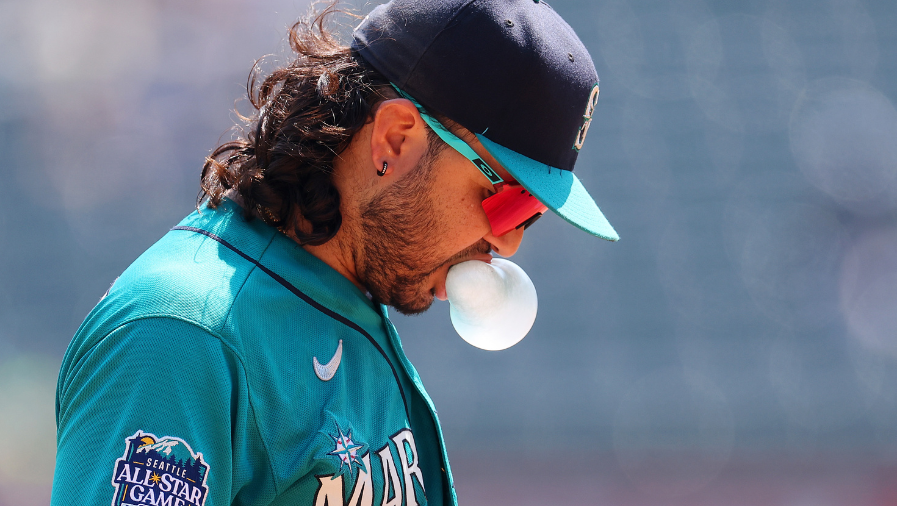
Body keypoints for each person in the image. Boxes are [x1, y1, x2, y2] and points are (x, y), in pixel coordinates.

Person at [51, 0, 618, 505]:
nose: (509, 241)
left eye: (533, 217)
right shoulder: (183, 334)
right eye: (506, 201)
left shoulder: (343, 300)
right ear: (395, 140)